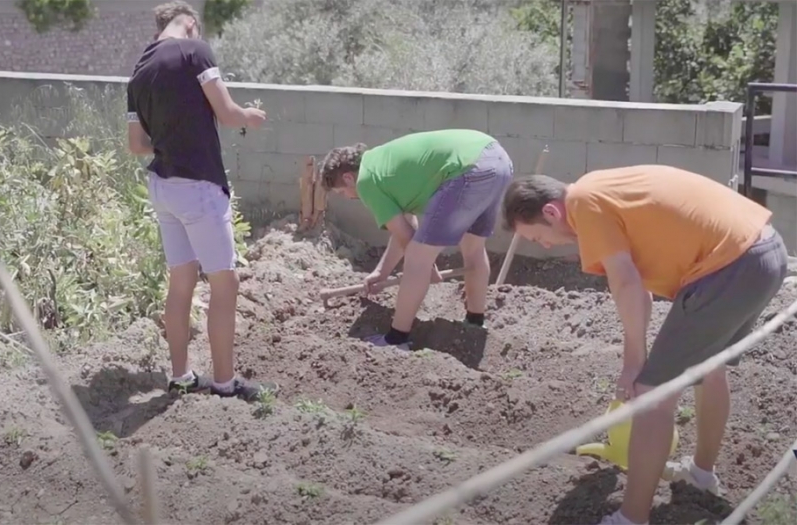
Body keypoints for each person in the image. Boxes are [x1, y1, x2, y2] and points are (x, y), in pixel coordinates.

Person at [500, 165, 788, 525]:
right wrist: (635, 355)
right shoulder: (603, 189)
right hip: (764, 251)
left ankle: (631, 517)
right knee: (710, 369)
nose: (544, 246)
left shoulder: (585, 204)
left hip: (729, 266)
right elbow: (638, 288)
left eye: (537, 237)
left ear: (551, 212)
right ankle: (701, 476)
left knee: (653, 393)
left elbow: (625, 284)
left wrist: (635, 363)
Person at [126, 1, 278, 401]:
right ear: (189, 24)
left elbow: (136, 145)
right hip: (199, 187)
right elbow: (227, 114)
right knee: (225, 283)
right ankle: (226, 384)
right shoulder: (196, 51)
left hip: (163, 187)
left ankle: (181, 376)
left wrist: (169, 136)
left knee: (181, 283)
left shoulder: (139, 75)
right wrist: (250, 116)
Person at [319, 129, 514, 350]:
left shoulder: (365, 181)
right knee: (473, 247)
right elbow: (406, 227)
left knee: (416, 258)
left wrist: (426, 266)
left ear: (348, 177)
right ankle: (475, 322)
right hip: (497, 159)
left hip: (468, 170)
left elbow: (407, 240)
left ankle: (396, 339)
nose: (348, 197)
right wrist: (382, 272)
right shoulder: (382, 163)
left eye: (342, 192)